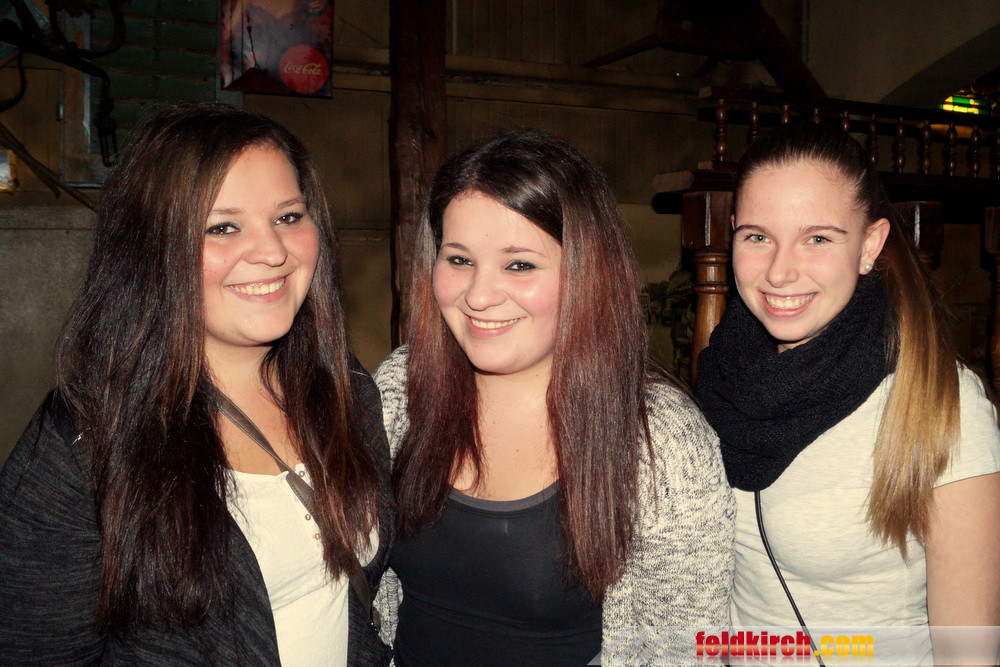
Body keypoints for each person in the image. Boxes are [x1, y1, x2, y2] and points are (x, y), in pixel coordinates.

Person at [0, 102, 392, 665]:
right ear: (150, 247)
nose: (273, 252)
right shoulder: (83, 445)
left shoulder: (344, 386)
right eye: (222, 227)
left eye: (288, 217)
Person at [373, 129, 735, 665]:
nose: (478, 295)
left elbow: (679, 652)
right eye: (459, 260)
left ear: (589, 274)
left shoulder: (660, 440)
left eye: (519, 264)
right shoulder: (400, 388)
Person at [697, 122, 1000, 664]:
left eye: (817, 238)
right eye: (758, 237)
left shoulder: (938, 404)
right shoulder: (720, 376)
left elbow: (969, 654)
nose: (779, 271)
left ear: (869, 245)